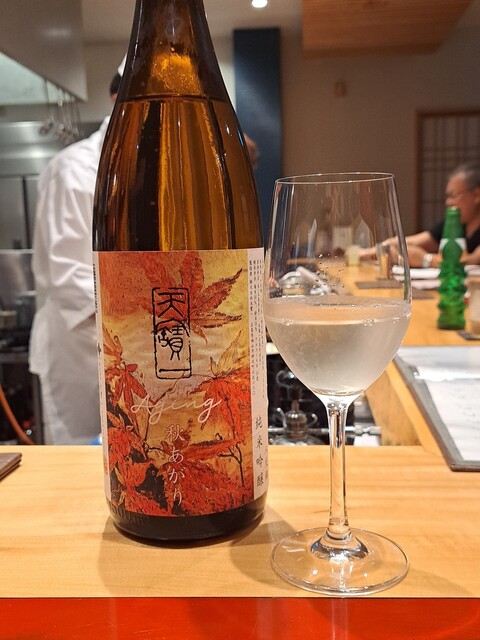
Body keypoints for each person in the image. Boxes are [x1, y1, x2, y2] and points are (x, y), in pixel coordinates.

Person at [29, 70, 121, 444]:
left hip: (125, 349)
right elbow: (70, 278)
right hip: (79, 355)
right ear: (117, 101)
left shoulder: (146, 168)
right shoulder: (75, 171)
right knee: (83, 459)